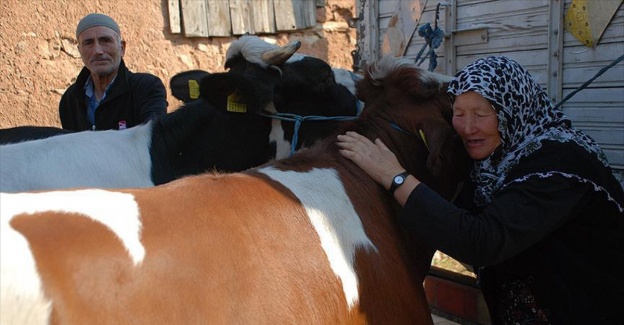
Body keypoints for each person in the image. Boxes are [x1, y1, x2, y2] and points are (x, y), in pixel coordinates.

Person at [337, 56, 624, 324]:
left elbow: (482, 241)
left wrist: (394, 176)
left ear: (512, 109)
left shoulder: (558, 164)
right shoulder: (495, 161)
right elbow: (455, 213)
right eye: (459, 114)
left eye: (481, 114)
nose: (467, 128)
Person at [59, 13, 167, 131]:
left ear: (122, 48)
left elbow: (155, 138)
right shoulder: (70, 99)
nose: (98, 51)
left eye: (105, 41)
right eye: (89, 43)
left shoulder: (146, 87)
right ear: (79, 51)